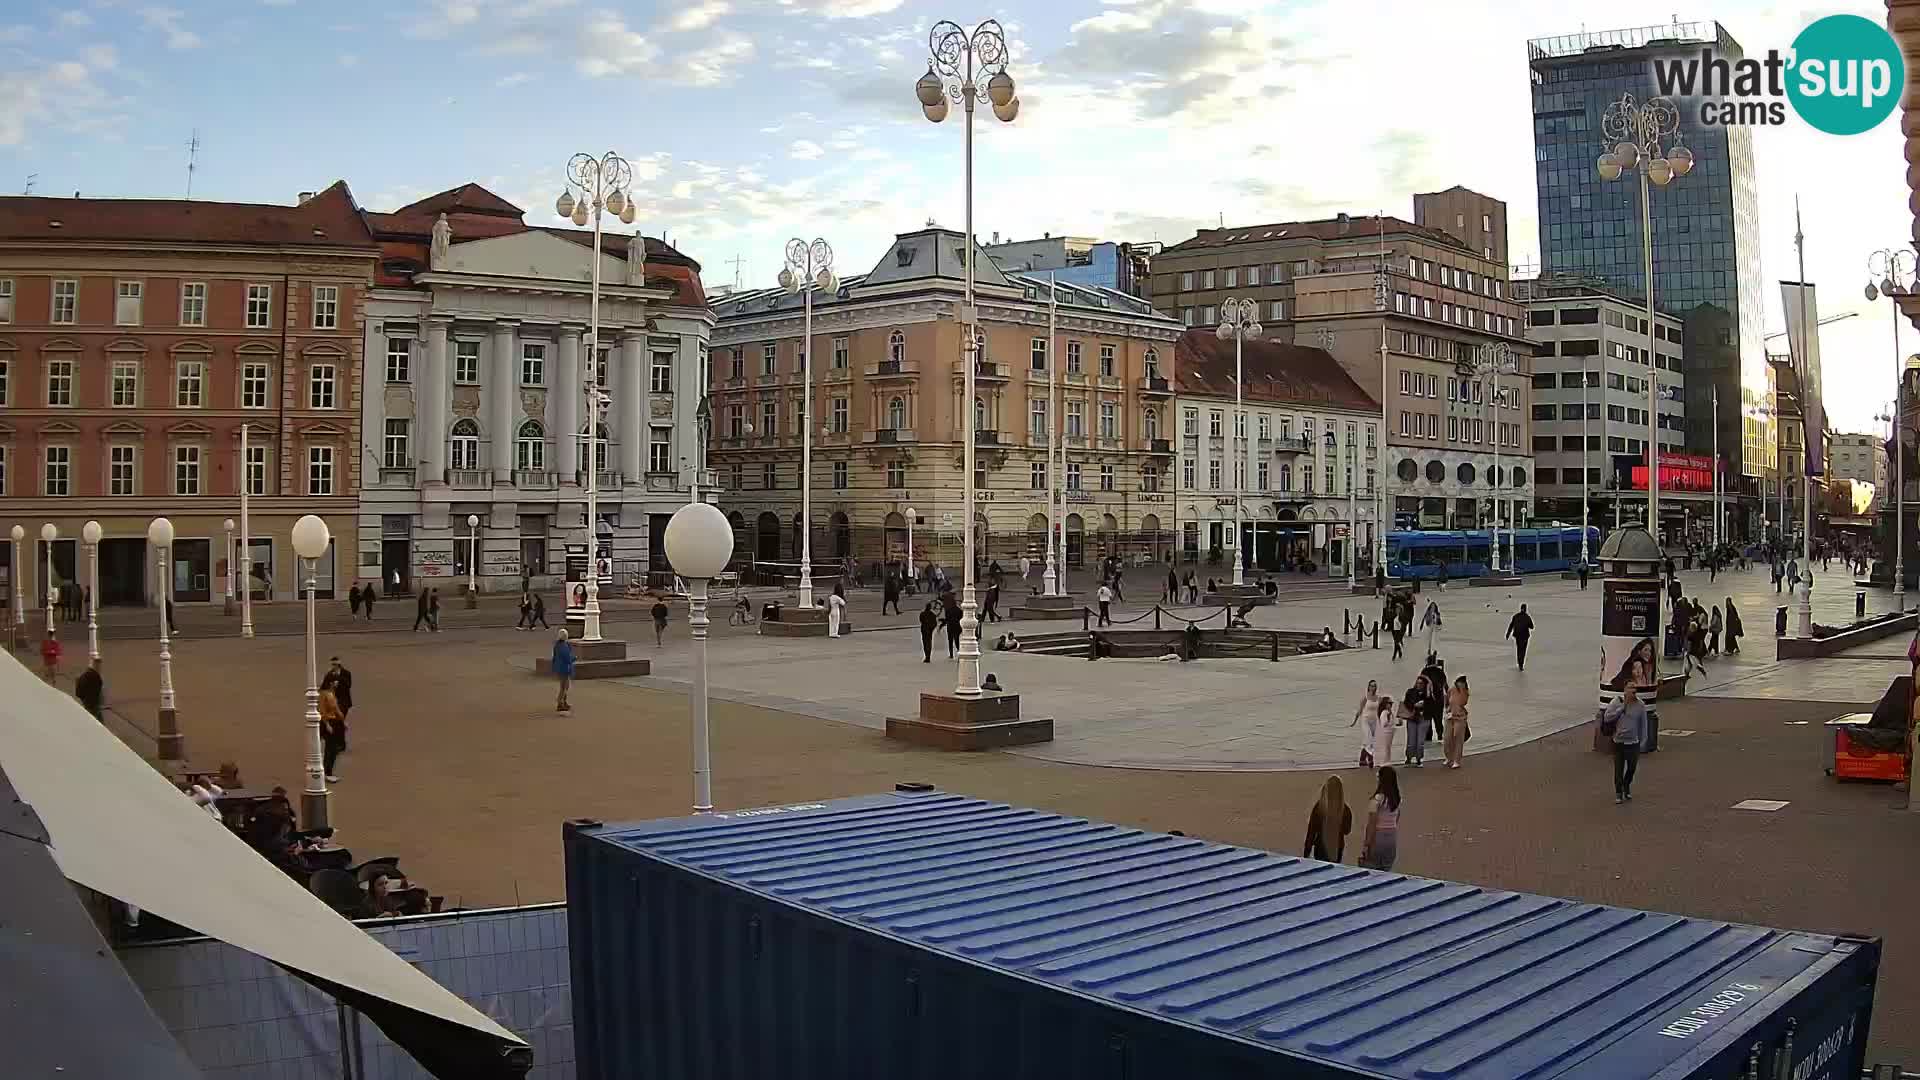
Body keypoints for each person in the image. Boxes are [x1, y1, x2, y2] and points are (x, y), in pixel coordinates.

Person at [1602, 683, 1648, 803]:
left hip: (1633, 742)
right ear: (1625, 690)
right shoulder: (1616, 702)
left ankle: (1626, 785)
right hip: (1618, 741)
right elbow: (1607, 717)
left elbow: (1643, 724)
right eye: (1630, 688)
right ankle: (1618, 793)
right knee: (1618, 769)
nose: (1633, 690)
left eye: (1635, 688)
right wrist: (1622, 708)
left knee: (1632, 767)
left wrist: (1643, 740)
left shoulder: (1640, 705)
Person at [1357, 766, 1401, 871]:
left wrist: (1366, 844)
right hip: (1391, 837)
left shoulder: (1376, 800)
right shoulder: (1397, 799)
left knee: (1373, 870)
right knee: (1386, 870)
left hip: (1378, 837)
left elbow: (1372, 824)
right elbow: (1397, 818)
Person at [1301, 775, 1351, 862]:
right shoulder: (1345, 809)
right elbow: (1347, 831)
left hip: (1321, 848)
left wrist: (1306, 853)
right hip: (1337, 848)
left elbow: (1311, 832)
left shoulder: (1319, 807)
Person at [318, 683, 347, 783]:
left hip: (335, 722)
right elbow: (322, 711)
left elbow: (336, 709)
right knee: (330, 748)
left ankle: (328, 771)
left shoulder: (332, 693)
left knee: (333, 749)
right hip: (327, 722)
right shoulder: (323, 694)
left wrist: (343, 721)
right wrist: (327, 725)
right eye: (335, 681)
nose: (336, 683)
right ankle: (327, 772)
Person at [1351, 679, 1382, 768]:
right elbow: (1360, 711)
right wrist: (1354, 722)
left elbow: (1380, 711)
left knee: (1369, 740)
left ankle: (1362, 759)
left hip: (1374, 721)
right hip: (1365, 720)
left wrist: (1382, 721)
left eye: (1374, 686)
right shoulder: (1365, 697)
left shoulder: (1378, 698)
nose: (1373, 687)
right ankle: (1371, 758)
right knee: (1368, 738)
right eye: (1371, 685)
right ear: (1368, 687)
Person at [1444, 675, 1470, 769]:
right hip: (1450, 717)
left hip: (1460, 717)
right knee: (1447, 738)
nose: (1460, 685)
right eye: (1459, 683)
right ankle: (1449, 757)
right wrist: (1447, 709)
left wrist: (1462, 690)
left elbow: (1463, 702)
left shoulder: (1465, 692)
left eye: (1462, 683)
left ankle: (1456, 760)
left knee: (1458, 738)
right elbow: (1446, 700)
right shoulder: (1451, 689)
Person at [1402, 681, 1428, 767]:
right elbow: (1406, 704)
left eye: (1421, 683)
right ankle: (1409, 757)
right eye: (1418, 683)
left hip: (1424, 718)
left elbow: (1434, 704)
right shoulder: (1410, 692)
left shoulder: (1428, 693)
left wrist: (1424, 704)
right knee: (1411, 740)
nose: (1419, 685)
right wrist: (1414, 705)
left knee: (1420, 741)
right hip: (1412, 718)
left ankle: (1419, 758)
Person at [550, 629, 576, 713]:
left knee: (564, 686)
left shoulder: (557, 645)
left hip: (559, 668)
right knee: (564, 687)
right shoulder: (564, 646)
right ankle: (560, 703)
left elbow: (554, 657)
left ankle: (564, 702)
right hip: (565, 668)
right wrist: (574, 658)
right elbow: (567, 658)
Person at [1371, 697, 1398, 775]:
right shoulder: (1384, 713)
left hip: (1390, 732)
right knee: (1385, 747)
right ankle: (1384, 762)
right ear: (1385, 704)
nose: (1391, 705)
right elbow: (1384, 724)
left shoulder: (1390, 712)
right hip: (1386, 733)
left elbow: (1393, 723)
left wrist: (1397, 722)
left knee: (1388, 747)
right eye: (1389, 703)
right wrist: (1388, 718)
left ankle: (1387, 761)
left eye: (1391, 703)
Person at [74, 657, 104, 722]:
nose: (99, 667)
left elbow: (78, 693)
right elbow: (98, 692)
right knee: (96, 721)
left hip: (89, 704)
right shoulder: (94, 676)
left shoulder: (85, 675)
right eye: (98, 665)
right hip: (92, 705)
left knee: (96, 720)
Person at [1506, 603, 1534, 670]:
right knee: (1523, 650)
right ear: (1526, 609)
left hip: (1517, 636)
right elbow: (1532, 627)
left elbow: (1511, 625)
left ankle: (1519, 663)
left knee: (1519, 649)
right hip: (1525, 636)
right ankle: (1521, 665)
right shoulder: (1527, 617)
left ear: (1520, 608)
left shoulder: (1516, 616)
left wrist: (1508, 634)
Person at [1419, 600, 1442, 664]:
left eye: (1434, 607)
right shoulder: (1428, 612)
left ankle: (1433, 653)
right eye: (1432, 606)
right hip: (1428, 627)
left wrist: (1437, 620)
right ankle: (1428, 653)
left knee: (1433, 641)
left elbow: (1439, 622)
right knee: (1428, 641)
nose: (1433, 608)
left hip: (1434, 628)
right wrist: (1429, 619)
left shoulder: (1437, 613)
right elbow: (1425, 620)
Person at [942, 594, 962, 658]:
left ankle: (951, 654)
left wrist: (942, 624)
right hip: (957, 627)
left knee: (950, 641)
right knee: (956, 640)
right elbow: (961, 618)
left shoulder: (948, 611)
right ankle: (959, 651)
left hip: (950, 627)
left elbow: (947, 619)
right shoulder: (959, 610)